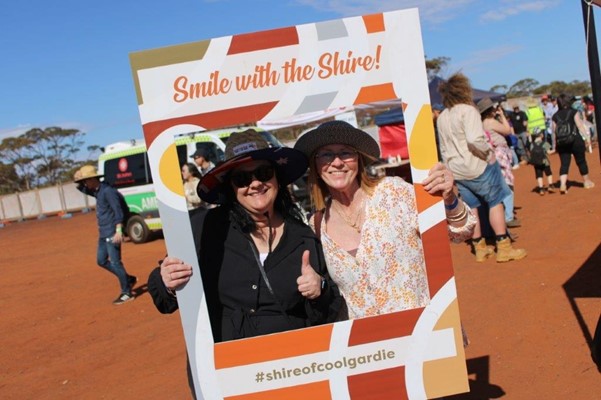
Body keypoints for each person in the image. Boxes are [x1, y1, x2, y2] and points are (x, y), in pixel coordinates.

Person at [148, 129, 342, 343]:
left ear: (277, 178)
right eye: (242, 178)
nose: (256, 183)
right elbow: (164, 300)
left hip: (289, 364)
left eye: (264, 173)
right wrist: (166, 280)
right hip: (225, 365)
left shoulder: (302, 238)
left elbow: (326, 314)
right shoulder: (204, 228)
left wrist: (319, 290)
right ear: (231, 187)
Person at [293, 120, 476, 319]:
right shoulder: (318, 225)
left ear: (358, 159)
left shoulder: (393, 193)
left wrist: (449, 198)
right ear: (316, 164)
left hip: (426, 332)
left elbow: (461, 231)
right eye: (326, 154)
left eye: (345, 152)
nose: (337, 162)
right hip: (374, 347)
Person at [436, 73, 527, 263]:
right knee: (496, 202)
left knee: (473, 208)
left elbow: (443, 147)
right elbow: (474, 139)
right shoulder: (468, 111)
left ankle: (480, 248)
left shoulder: (442, 116)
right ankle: (503, 247)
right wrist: (488, 154)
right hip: (477, 165)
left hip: (457, 170)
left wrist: (450, 169)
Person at [74, 165, 137, 305]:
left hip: (112, 232)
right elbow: (82, 189)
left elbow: (118, 210)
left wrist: (119, 230)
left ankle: (127, 292)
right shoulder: (97, 191)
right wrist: (77, 179)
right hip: (103, 233)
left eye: (85, 180)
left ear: (92, 179)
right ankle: (127, 279)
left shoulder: (108, 191)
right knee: (101, 260)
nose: (85, 184)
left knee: (115, 262)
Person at [478, 98, 520, 228]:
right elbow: (508, 130)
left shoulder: (482, 123)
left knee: (498, 184)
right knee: (507, 184)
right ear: (490, 110)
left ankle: (503, 215)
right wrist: (502, 116)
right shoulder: (490, 122)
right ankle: (508, 217)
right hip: (500, 154)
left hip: (493, 155)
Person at [551, 94, 595, 194]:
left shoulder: (555, 116)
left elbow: (554, 132)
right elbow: (579, 125)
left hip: (562, 142)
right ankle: (587, 181)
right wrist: (587, 138)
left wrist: (555, 145)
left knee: (564, 163)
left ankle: (562, 184)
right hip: (575, 140)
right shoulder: (573, 112)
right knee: (581, 161)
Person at [528, 129, 555, 195]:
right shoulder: (545, 143)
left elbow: (530, 153)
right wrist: (555, 150)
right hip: (545, 161)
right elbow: (549, 152)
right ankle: (550, 186)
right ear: (541, 135)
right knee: (548, 173)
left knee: (539, 175)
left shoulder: (532, 145)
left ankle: (541, 189)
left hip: (536, 162)